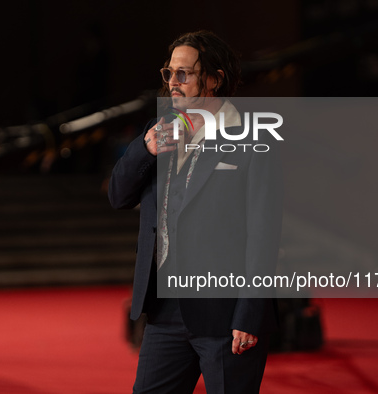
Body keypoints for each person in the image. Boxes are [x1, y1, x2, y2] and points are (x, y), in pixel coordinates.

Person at [109, 31, 283, 393]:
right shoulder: (161, 130)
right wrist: (145, 150)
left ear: (215, 79)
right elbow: (118, 196)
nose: (173, 83)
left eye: (184, 73)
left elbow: (264, 235)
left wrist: (249, 315)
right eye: (169, 73)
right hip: (165, 312)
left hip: (225, 314)